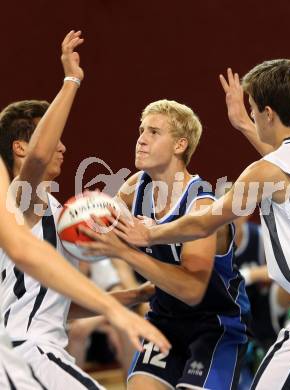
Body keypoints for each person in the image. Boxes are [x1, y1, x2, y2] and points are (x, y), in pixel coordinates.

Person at [85, 60, 290, 389]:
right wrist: (243, 125)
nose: (142, 139)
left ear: (268, 114)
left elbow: (205, 223)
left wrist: (150, 233)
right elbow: (284, 163)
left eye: (252, 110)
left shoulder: (256, 175)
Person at [0, 30, 169, 389]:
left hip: (32, 348)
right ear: (19, 148)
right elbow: (41, 154)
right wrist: (71, 80)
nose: (63, 146)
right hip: (26, 351)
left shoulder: (51, 210)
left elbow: (61, 308)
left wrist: (134, 296)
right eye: (52, 135)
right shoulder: (19, 200)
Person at [79, 99, 250, 389]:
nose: (141, 140)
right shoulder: (135, 187)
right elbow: (102, 236)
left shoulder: (201, 204)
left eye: (154, 133)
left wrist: (123, 253)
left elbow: (192, 290)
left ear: (180, 145)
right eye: (141, 130)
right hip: (165, 320)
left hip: (214, 326)